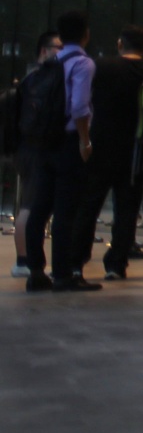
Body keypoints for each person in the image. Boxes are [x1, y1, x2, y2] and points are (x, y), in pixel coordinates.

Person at [22, 11, 100, 292]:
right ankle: (64, 274)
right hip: (68, 142)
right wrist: (84, 140)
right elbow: (80, 106)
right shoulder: (83, 63)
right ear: (85, 34)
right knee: (67, 211)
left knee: (40, 208)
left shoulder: (49, 62)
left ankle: (35, 271)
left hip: (44, 143)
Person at [74, 25, 143, 281]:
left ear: (120, 44)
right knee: (127, 209)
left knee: (89, 204)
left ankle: (76, 260)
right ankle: (117, 263)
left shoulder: (101, 67)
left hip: (100, 145)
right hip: (137, 151)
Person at [9, 31, 60, 280]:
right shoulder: (41, 80)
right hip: (34, 149)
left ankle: (24, 260)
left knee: (29, 205)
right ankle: (25, 260)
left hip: (24, 148)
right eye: (57, 47)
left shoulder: (29, 81)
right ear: (44, 50)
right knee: (31, 206)